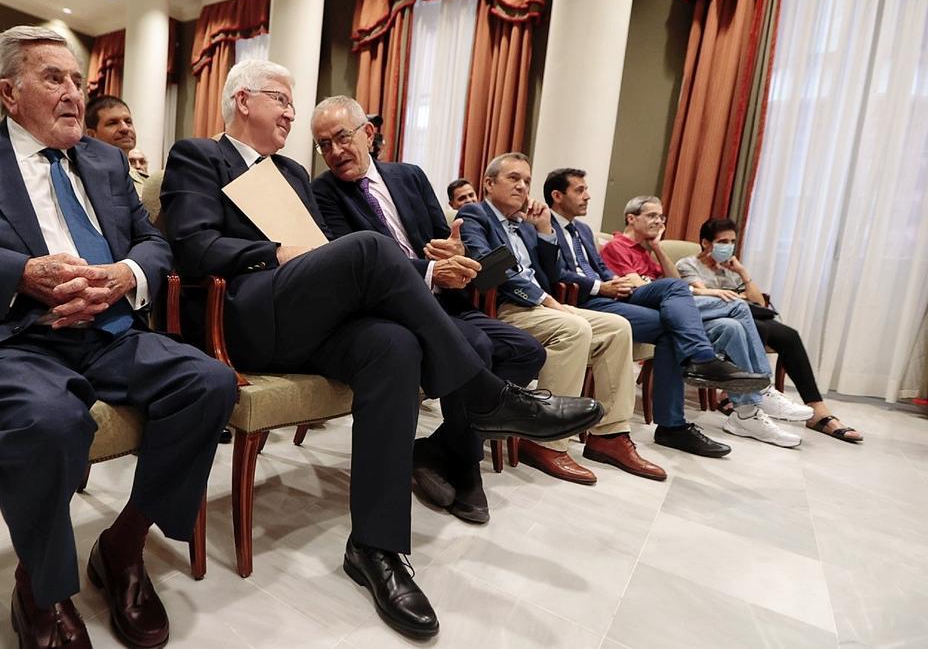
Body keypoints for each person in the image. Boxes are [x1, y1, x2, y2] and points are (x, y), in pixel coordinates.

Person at [161, 59, 602, 639]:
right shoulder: (199, 155)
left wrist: (317, 258)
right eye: (282, 100)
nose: (292, 113)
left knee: (393, 345)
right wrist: (276, 253)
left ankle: (376, 547)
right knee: (370, 247)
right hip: (241, 316)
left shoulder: (292, 172)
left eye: (294, 104)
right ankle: (484, 394)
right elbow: (192, 248)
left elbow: (323, 250)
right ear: (243, 101)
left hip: (307, 317)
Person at [0, 26, 238, 649]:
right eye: (53, 78)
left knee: (209, 382)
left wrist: (125, 275)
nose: (74, 94)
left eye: (78, 80)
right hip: (1, 337)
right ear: (7, 91)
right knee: (52, 420)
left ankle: (124, 547)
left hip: (107, 329)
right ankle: (42, 588)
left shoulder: (106, 162)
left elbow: (153, 242)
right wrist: (15, 273)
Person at [311, 96, 549, 519]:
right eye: (324, 145)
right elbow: (356, 266)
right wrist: (429, 272)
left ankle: (442, 446)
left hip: (449, 302)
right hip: (394, 311)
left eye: (342, 137)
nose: (335, 152)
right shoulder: (324, 193)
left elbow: (446, 239)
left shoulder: (410, 176)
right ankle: (466, 467)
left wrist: (454, 251)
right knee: (476, 345)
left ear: (367, 133)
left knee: (528, 351)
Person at [459, 154, 666, 484]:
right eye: (513, 178)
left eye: (526, 180)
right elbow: (487, 267)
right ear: (488, 183)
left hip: (542, 306)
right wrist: (548, 300)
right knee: (574, 328)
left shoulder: (526, 224)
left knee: (618, 327)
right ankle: (545, 441)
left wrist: (544, 232)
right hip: (504, 308)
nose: (522, 186)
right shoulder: (475, 214)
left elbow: (552, 274)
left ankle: (609, 436)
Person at [542, 167, 771, 458]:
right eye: (580, 190)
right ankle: (678, 412)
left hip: (615, 291)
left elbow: (600, 268)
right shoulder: (542, 224)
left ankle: (696, 371)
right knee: (671, 325)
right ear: (557, 195)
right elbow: (553, 274)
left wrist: (615, 280)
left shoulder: (583, 230)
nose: (587, 196)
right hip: (586, 301)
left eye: (587, 189)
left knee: (673, 288)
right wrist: (602, 286)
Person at [602, 196, 802, 448]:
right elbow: (643, 288)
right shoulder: (617, 246)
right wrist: (691, 292)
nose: (658, 221)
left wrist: (657, 247)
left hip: (672, 305)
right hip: (645, 308)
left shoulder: (646, 251)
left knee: (731, 327)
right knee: (737, 305)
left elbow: (675, 283)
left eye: (661, 217)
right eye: (652, 216)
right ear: (631, 218)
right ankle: (762, 388)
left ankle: (746, 413)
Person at [677, 218, 863, 442]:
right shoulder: (688, 264)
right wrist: (731, 297)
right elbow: (700, 292)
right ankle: (753, 390)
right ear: (706, 243)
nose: (728, 246)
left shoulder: (729, 271)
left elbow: (759, 303)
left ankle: (817, 409)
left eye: (732, 241)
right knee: (753, 327)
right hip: (717, 317)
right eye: (722, 241)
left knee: (789, 335)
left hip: (743, 314)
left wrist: (743, 273)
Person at [84, 94, 147, 197]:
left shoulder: (147, 183)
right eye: (112, 123)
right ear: (91, 135)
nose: (125, 128)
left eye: (128, 121)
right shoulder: (82, 178)